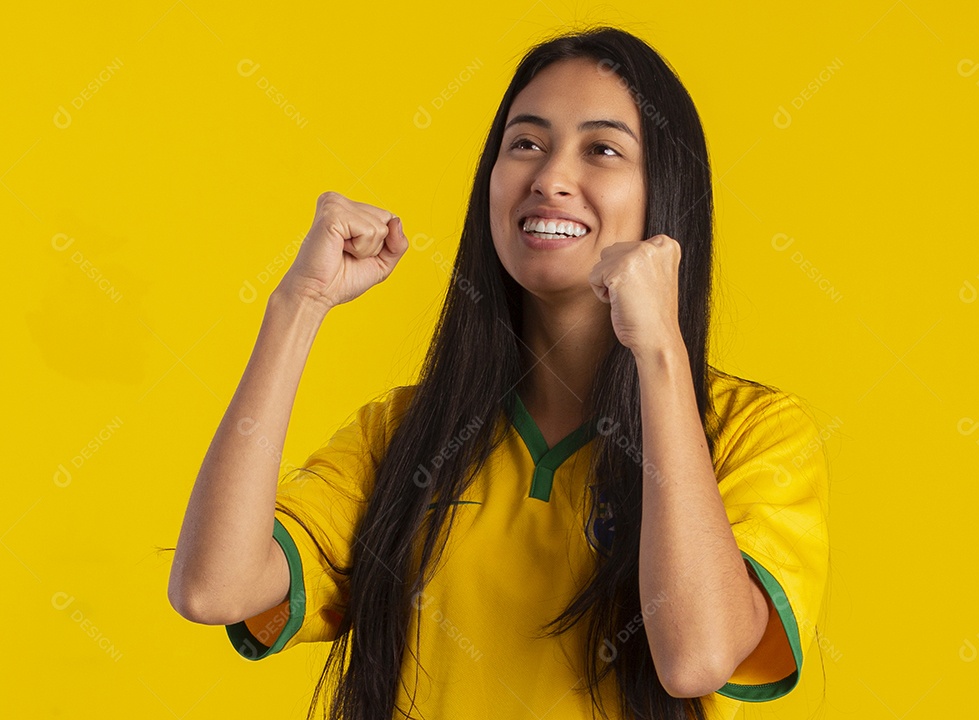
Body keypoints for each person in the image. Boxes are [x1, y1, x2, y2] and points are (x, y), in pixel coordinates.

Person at [168, 24, 830, 720]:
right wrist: (297, 304)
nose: (550, 179)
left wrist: (660, 351)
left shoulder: (756, 433)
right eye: (526, 144)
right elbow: (214, 588)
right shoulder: (403, 434)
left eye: (601, 149)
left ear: (663, 192)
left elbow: (696, 658)